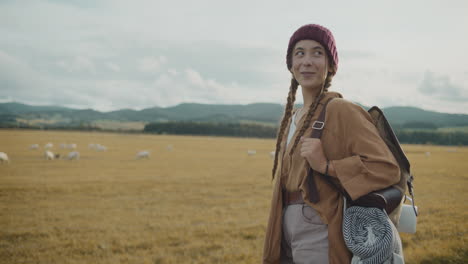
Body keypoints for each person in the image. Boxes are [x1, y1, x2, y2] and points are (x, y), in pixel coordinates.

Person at [262, 24, 401, 264]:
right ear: (290, 64)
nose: (307, 61)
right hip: (284, 223)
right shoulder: (292, 117)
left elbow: (386, 167)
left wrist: (326, 166)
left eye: (318, 53)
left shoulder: (341, 109)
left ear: (331, 65)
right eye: (300, 53)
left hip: (318, 225)